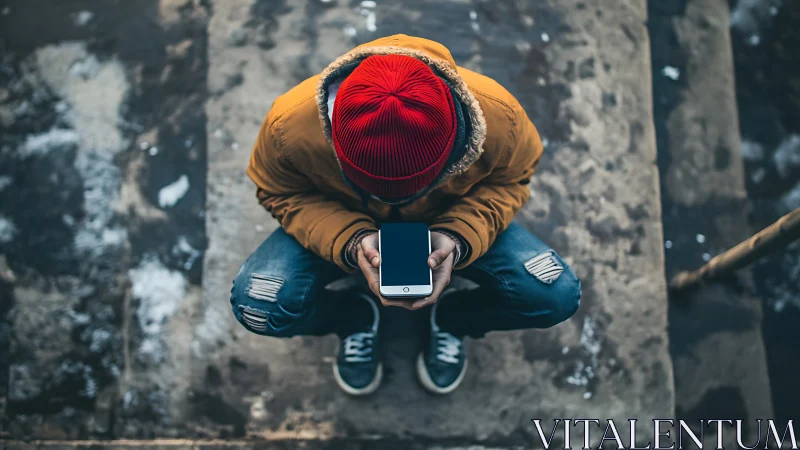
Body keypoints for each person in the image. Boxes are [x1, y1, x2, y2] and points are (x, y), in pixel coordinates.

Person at [231, 34, 581, 396]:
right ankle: (353, 317)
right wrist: (349, 241)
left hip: (451, 216)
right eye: (372, 183)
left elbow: (512, 181)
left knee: (554, 296)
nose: (392, 199)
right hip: (345, 217)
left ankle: (452, 317)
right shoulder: (289, 125)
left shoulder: (500, 116)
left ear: (458, 143)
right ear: (334, 139)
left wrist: (459, 236)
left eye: (417, 185)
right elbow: (278, 190)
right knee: (258, 305)